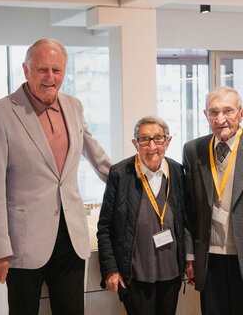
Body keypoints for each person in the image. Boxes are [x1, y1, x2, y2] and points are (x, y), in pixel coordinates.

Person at [0, 38, 111, 315]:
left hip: (71, 238)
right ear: (26, 71)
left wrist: (134, 179)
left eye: (57, 70)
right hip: (22, 244)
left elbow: (95, 154)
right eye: (42, 70)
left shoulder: (74, 106)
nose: (50, 78)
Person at [97, 116, 186, 315]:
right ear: (135, 143)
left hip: (171, 274)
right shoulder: (120, 173)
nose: (152, 146)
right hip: (136, 276)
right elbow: (104, 228)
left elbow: (186, 220)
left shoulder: (177, 171)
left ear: (168, 141)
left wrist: (189, 260)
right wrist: (111, 269)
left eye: (158, 138)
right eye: (144, 139)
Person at [183, 86, 243, 315]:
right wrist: (190, 255)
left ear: (241, 113)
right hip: (210, 257)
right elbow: (188, 208)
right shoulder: (193, 150)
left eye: (228, 111)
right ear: (205, 114)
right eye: (213, 112)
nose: (221, 119)